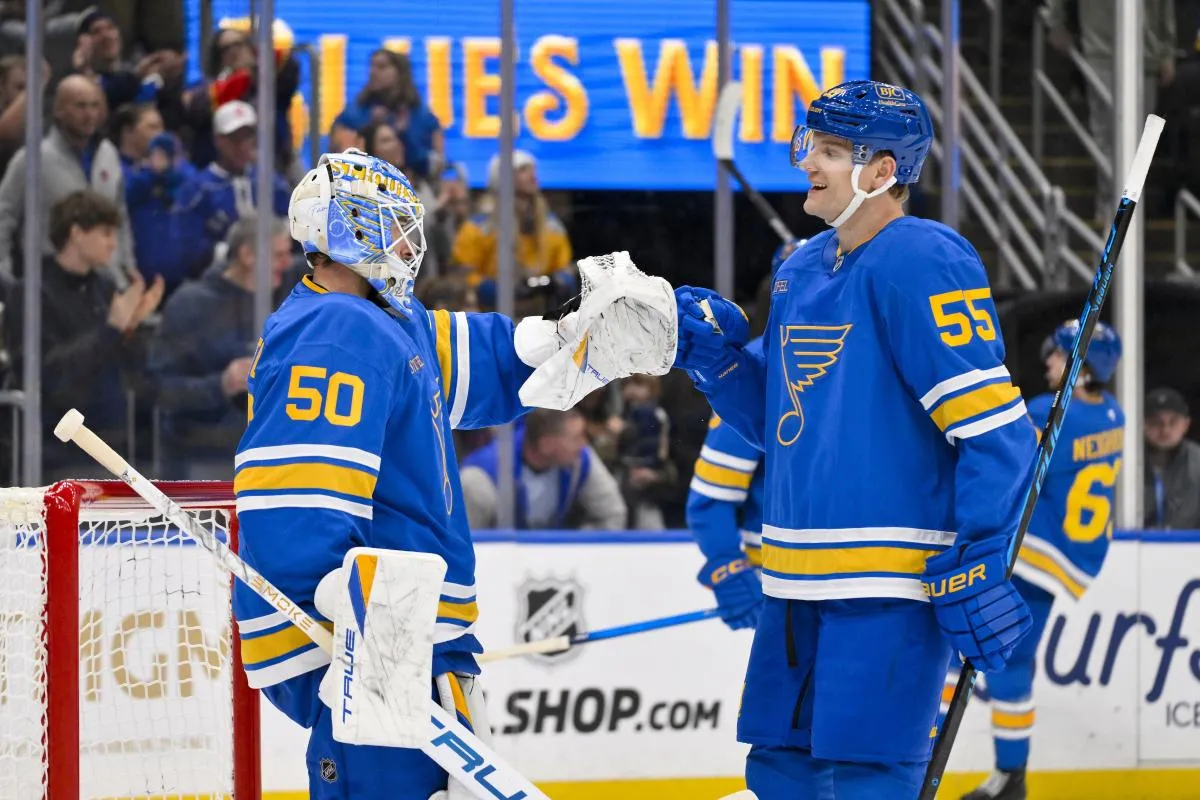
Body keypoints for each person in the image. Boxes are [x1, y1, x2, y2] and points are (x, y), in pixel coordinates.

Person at [670, 80, 1037, 797]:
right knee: (777, 769)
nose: (809, 162)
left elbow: (998, 433)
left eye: (832, 151)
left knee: (866, 778)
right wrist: (717, 366)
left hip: (889, 587)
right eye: (811, 144)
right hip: (790, 579)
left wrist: (979, 550)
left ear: (882, 172)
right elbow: (782, 421)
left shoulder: (925, 259)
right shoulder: (801, 268)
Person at [231, 148, 575, 798]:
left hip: (411, 630)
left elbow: (494, 366)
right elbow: (295, 502)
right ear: (347, 230)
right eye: (390, 223)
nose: (407, 242)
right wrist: (346, 627)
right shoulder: (337, 327)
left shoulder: (389, 319)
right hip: (378, 634)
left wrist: (578, 339)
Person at [956, 320, 1122, 800]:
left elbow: (1005, 469)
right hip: (1072, 558)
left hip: (1035, 556)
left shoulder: (1050, 411)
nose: (1049, 360)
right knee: (1013, 664)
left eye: (1060, 354)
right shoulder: (1113, 414)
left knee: (955, 647)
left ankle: (924, 758)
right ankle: (1012, 776)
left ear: (1083, 366)